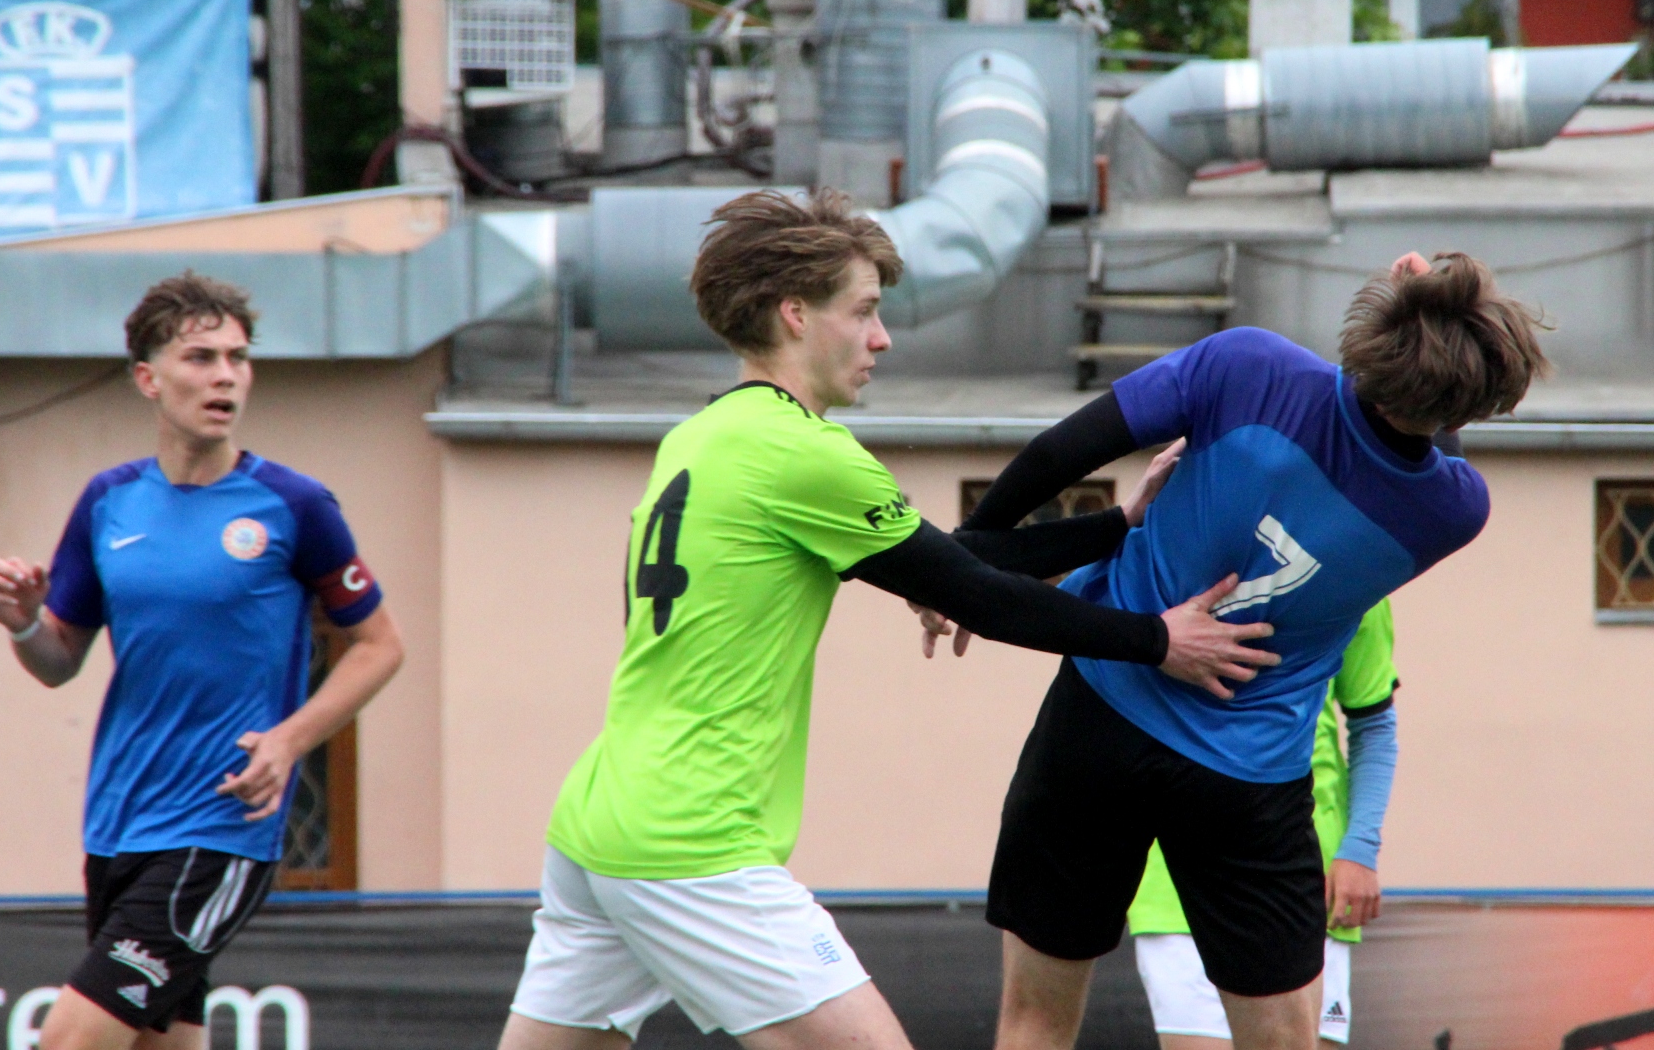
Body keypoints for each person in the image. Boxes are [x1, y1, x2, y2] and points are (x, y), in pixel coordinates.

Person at [497, 189, 1278, 1050]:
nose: (882, 338)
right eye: (863, 310)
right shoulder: (804, 452)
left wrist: (1114, 526)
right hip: (689, 839)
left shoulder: (703, 435)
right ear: (795, 314)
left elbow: (949, 562)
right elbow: (974, 591)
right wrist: (1157, 639)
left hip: (597, 818)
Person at [943, 252, 1546, 1050]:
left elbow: (1058, 454)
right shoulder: (1453, 512)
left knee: (1034, 1021)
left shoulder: (1247, 365)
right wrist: (1436, 342)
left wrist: (965, 558)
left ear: (1374, 328)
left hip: (1097, 718)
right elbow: (1428, 437)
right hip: (1245, 778)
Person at [0, 272, 404, 1050]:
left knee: (68, 1040)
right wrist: (26, 621)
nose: (225, 376)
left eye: (238, 358)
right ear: (149, 378)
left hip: (218, 826)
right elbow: (58, 659)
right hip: (118, 823)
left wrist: (289, 740)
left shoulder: (295, 504)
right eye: (202, 358)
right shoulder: (108, 501)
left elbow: (380, 645)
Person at [1129, 599, 1401, 1049]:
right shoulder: (1163, 566)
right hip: (1173, 883)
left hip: (1306, 878)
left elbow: (1373, 722)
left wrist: (1360, 848)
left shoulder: (1359, 574)